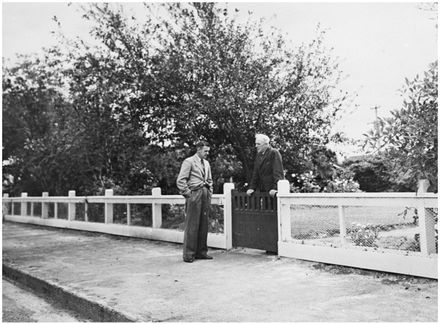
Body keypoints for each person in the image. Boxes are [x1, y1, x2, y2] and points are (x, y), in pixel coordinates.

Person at [176, 141, 213, 263]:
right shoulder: (189, 161)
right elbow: (181, 180)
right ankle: (188, 254)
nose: (207, 153)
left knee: (204, 224)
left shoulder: (206, 163)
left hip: (205, 194)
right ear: (198, 149)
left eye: (208, 151)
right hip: (194, 193)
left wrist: (209, 192)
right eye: (205, 151)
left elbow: (209, 180)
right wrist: (188, 195)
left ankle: (201, 252)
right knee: (192, 225)